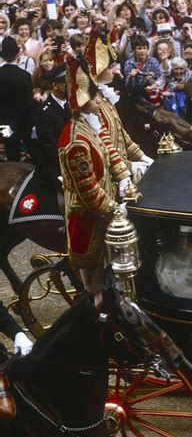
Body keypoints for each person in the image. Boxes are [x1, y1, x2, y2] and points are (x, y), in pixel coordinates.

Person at [58, 55, 132, 294]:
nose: (99, 100)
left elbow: (109, 147)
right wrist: (114, 209)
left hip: (102, 209)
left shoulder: (89, 124)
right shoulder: (75, 141)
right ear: (82, 102)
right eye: (93, 97)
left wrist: (123, 176)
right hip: (87, 218)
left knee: (105, 272)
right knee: (93, 284)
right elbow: (88, 190)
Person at [85, 28, 153, 182]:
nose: (115, 71)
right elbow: (103, 145)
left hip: (120, 166)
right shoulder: (91, 103)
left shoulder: (105, 96)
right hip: (107, 174)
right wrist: (127, 169)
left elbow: (121, 134)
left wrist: (141, 156)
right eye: (110, 67)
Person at [35, 63, 71, 190]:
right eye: (67, 83)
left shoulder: (70, 105)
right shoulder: (45, 112)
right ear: (55, 85)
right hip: (53, 167)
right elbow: (49, 147)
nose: (72, 86)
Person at [0, 36, 34, 162]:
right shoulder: (24, 76)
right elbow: (28, 105)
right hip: (22, 125)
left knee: (10, 161)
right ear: (17, 53)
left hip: (3, 124)